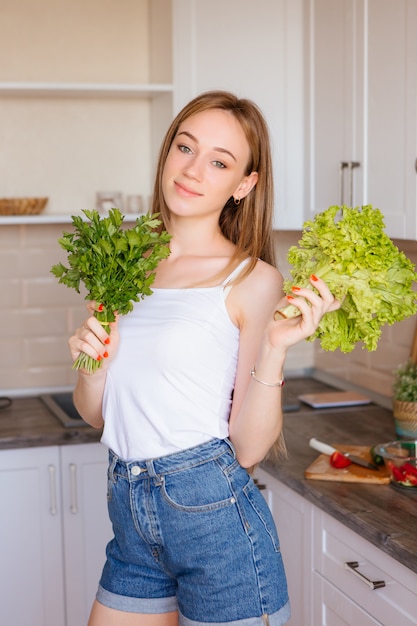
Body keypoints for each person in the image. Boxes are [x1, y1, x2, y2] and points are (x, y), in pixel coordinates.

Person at [69, 90, 340, 626]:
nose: (192, 169)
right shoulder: (121, 266)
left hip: (214, 519)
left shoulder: (253, 280)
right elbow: (98, 414)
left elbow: (248, 447)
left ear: (244, 184)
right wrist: (92, 366)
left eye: (219, 161)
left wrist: (275, 348)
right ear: (167, 152)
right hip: (129, 510)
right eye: (185, 147)